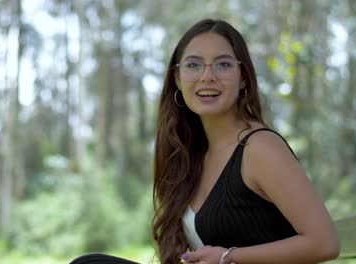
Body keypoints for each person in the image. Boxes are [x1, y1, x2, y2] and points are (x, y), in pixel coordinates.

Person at [70, 18, 340, 264]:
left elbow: (324, 243)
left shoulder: (259, 148)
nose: (207, 76)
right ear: (177, 78)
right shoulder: (192, 155)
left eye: (223, 64)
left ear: (243, 77)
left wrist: (229, 256)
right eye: (193, 65)